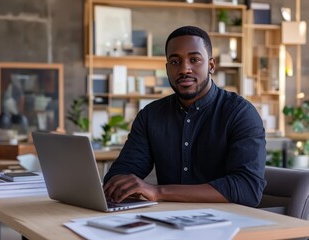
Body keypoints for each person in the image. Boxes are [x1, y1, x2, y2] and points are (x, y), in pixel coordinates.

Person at [104, 26, 266, 207]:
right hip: (167, 222)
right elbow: (121, 173)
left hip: (227, 225)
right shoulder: (150, 116)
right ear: (167, 69)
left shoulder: (240, 113)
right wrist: (120, 184)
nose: (184, 69)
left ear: (211, 65)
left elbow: (248, 188)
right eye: (175, 62)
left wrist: (158, 192)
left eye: (194, 60)